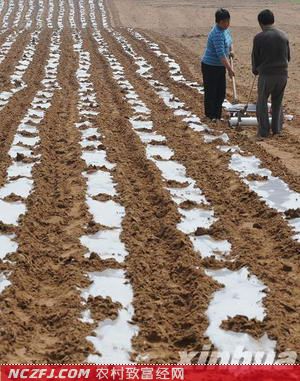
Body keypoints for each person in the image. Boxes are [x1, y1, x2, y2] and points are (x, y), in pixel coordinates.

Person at [252, 9, 290, 138]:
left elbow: (255, 58)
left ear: (260, 23)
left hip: (267, 75)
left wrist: (255, 70)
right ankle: (277, 129)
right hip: (283, 74)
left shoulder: (259, 37)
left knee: (262, 102)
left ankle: (263, 131)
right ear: (273, 20)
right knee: (277, 102)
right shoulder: (284, 35)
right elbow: (288, 57)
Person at [201, 8, 234, 122]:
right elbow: (221, 55)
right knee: (211, 92)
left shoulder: (225, 30)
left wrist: (231, 51)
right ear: (218, 22)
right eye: (224, 22)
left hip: (220, 66)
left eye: (228, 21)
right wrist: (229, 69)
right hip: (210, 66)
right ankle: (210, 116)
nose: (227, 24)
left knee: (221, 92)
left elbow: (230, 41)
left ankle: (217, 116)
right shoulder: (217, 34)